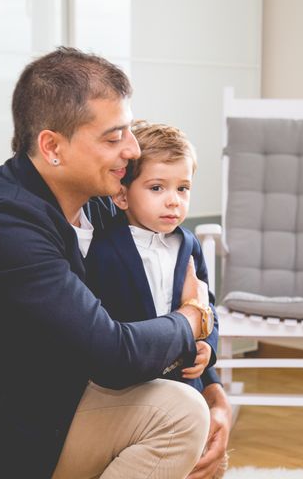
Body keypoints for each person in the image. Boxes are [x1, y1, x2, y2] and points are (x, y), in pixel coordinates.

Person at [0, 47, 230, 479]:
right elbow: (115, 352)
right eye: (113, 136)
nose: (133, 150)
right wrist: (190, 321)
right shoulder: (2, 223)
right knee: (176, 411)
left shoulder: (103, 206)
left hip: (47, 410)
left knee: (184, 408)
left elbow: (187, 283)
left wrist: (214, 388)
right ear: (52, 147)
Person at [84, 121, 220, 394]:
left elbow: (208, 304)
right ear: (122, 196)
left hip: (184, 378)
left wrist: (208, 346)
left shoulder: (188, 244)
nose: (174, 200)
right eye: (157, 188)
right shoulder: (104, 248)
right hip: (130, 384)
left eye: (182, 188)